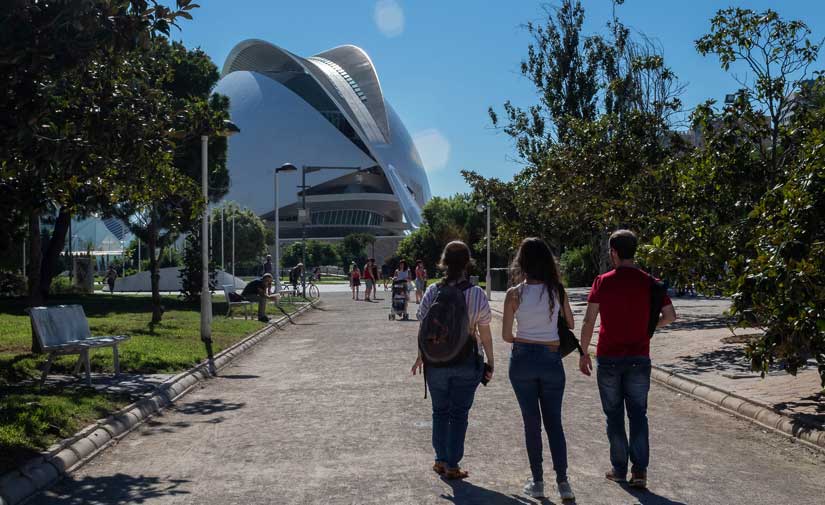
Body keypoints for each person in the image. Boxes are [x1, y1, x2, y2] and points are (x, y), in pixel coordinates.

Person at [579, 230, 677, 490]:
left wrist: (583, 351)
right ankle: (640, 471)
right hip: (639, 357)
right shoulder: (650, 282)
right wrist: (648, 327)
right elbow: (670, 315)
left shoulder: (603, 281)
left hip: (609, 357)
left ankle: (619, 469)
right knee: (638, 415)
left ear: (613, 252)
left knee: (613, 415)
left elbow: (589, 320)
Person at [411, 241, 494, 480]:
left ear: (444, 262)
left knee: (440, 411)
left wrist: (420, 356)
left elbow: (423, 326)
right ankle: (453, 464)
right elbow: (485, 333)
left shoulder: (432, 291)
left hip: (435, 362)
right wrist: (490, 361)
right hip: (465, 361)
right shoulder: (475, 293)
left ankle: (439, 460)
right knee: (459, 414)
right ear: (467, 262)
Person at [502, 238, 575, 501]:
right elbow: (571, 323)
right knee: (554, 423)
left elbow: (507, 336)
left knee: (531, 424)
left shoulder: (514, 294)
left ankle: (538, 481)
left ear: (521, 262)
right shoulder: (557, 290)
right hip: (551, 358)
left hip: (522, 359)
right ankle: (564, 483)